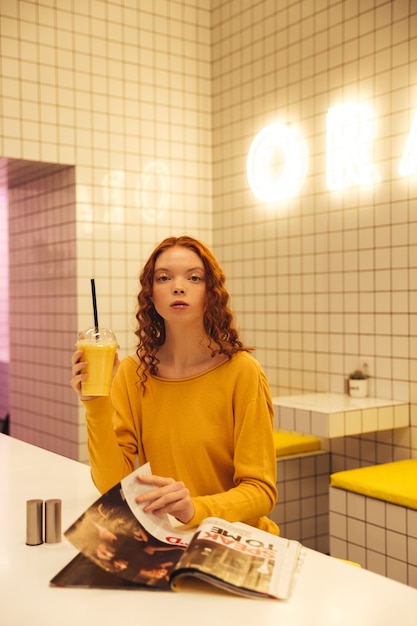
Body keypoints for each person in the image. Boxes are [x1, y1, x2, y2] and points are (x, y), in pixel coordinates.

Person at [71, 235, 279, 535]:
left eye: (194, 278)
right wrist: (95, 403)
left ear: (211, 293)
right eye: (164, 278)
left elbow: (261, 492)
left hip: (235, 538)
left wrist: (194, 508)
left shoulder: (242, 372)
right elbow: (113, 486)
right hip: (168, 538)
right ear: (151, 295)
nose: (178, 286)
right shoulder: (133, 372)